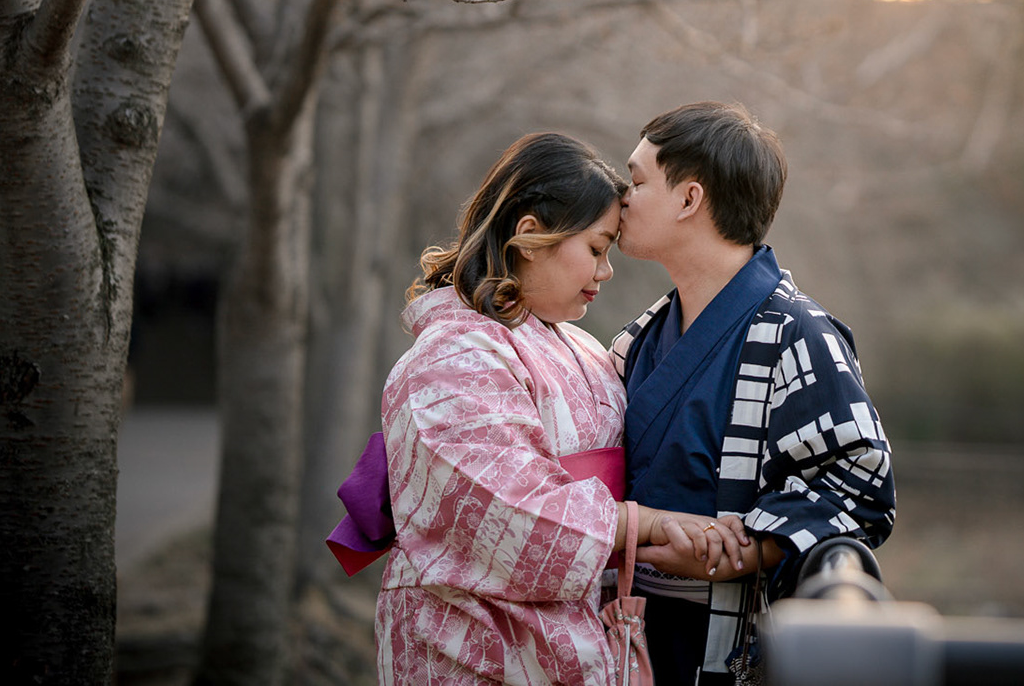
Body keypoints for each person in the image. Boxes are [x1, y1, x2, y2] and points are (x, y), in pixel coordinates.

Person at [376, 132, 736, 685]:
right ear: (530, 236)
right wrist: (650, 523)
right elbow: (506, 513)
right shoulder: (453, 355)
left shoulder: (583, 348)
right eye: (595, 248)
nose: (606, 270)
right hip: (467, 642)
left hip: (571, 629)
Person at [611, 102, 896, 684]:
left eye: (637, 181)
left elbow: (861, 483)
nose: (621, 197)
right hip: (625, 632)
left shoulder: (799, 333)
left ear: (689, 199)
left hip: (718, 635)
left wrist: (741, 550)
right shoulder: (639, 338)